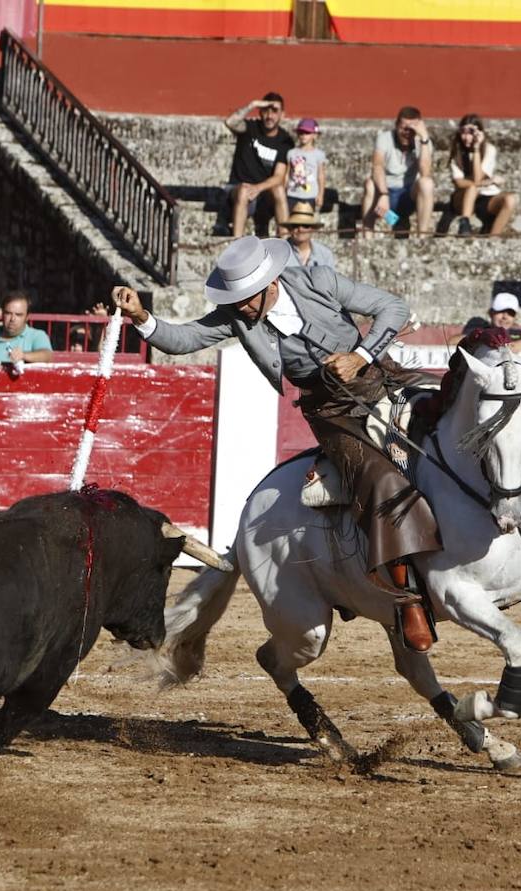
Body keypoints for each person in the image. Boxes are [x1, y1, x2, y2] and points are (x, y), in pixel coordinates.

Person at [109, 236, 439, 653]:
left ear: (270, 282)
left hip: (380, 378)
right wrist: (141, 317)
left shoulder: (318, 281)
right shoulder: (235, 316)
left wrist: (360, 354)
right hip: (332, 412)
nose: (242, 306)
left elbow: (393, 307)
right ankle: (408, 598)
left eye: (248, 298)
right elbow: (185, 339)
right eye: (236, 299)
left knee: (453, 421)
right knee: (378, 478)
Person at [221, 92, 294, 238]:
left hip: (263, 193)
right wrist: (252, 105)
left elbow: (279, 176)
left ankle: (285, 240)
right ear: (260, 112)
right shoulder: (250, 128)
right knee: (243, 190)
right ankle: (237, 241)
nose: (269, 115)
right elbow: (230, 122)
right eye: (266, 110)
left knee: (279, 189)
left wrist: (258, 188)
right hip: (239, 190)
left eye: (274, 111)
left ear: (282, 115)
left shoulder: (285, 140)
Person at [361, 106, 435, 236]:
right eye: (403, 128)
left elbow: (425, 173)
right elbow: (377, 166)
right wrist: (384, 194)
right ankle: (367, 237)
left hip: (410, 197)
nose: (407, 132)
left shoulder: (424, 141)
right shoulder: (384, 138)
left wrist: (423, 138)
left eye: (411, 129)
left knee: (427, 183)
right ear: (396, 125)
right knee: (369, 184)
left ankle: (422, 237)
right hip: (386, 201)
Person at [446, 114, 517, 236]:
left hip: (486, 196)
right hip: (464, 198)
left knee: (510, 199)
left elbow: (478, 176)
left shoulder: (489, 150)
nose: (467, 137)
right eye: (463, 132)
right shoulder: (457, 152)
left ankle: (493, 239)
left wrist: (477, 149)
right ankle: (465, 224)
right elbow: (459, 182)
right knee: (472, 188)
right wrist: (486, 182)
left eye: (471, 132)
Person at [448, 292, 521, 349]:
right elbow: (452, 341)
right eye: (501, 311)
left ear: (515, 317)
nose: (505, 317)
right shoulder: (481, 332)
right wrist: (483, 339)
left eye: (510, 313)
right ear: (491, 313)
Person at [0, 292, 55, 365]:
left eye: (18, 315)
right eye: (8, 313)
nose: (12, 319)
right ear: (2, 314)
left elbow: (47, 356)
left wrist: (24, 355)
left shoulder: (37, 336)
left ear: (27, 317)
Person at [286, 118, 327, 219]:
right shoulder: (291, 153)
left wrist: (320, 195)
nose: (303, 135)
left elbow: (320, 175)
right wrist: (284, 191)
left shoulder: (319, 154)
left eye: (307, 133)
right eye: (301, 132)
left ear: (315, 135)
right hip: (292, 193)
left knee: (306, 222)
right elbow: (287, 173)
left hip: (310, 195)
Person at [285, 201, 336, 268]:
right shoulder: (279, 253)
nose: (300, 229)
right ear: (290, 228)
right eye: (295, 225)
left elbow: (331, 278)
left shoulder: (325, 255)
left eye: (305, 225)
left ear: (312, 229)